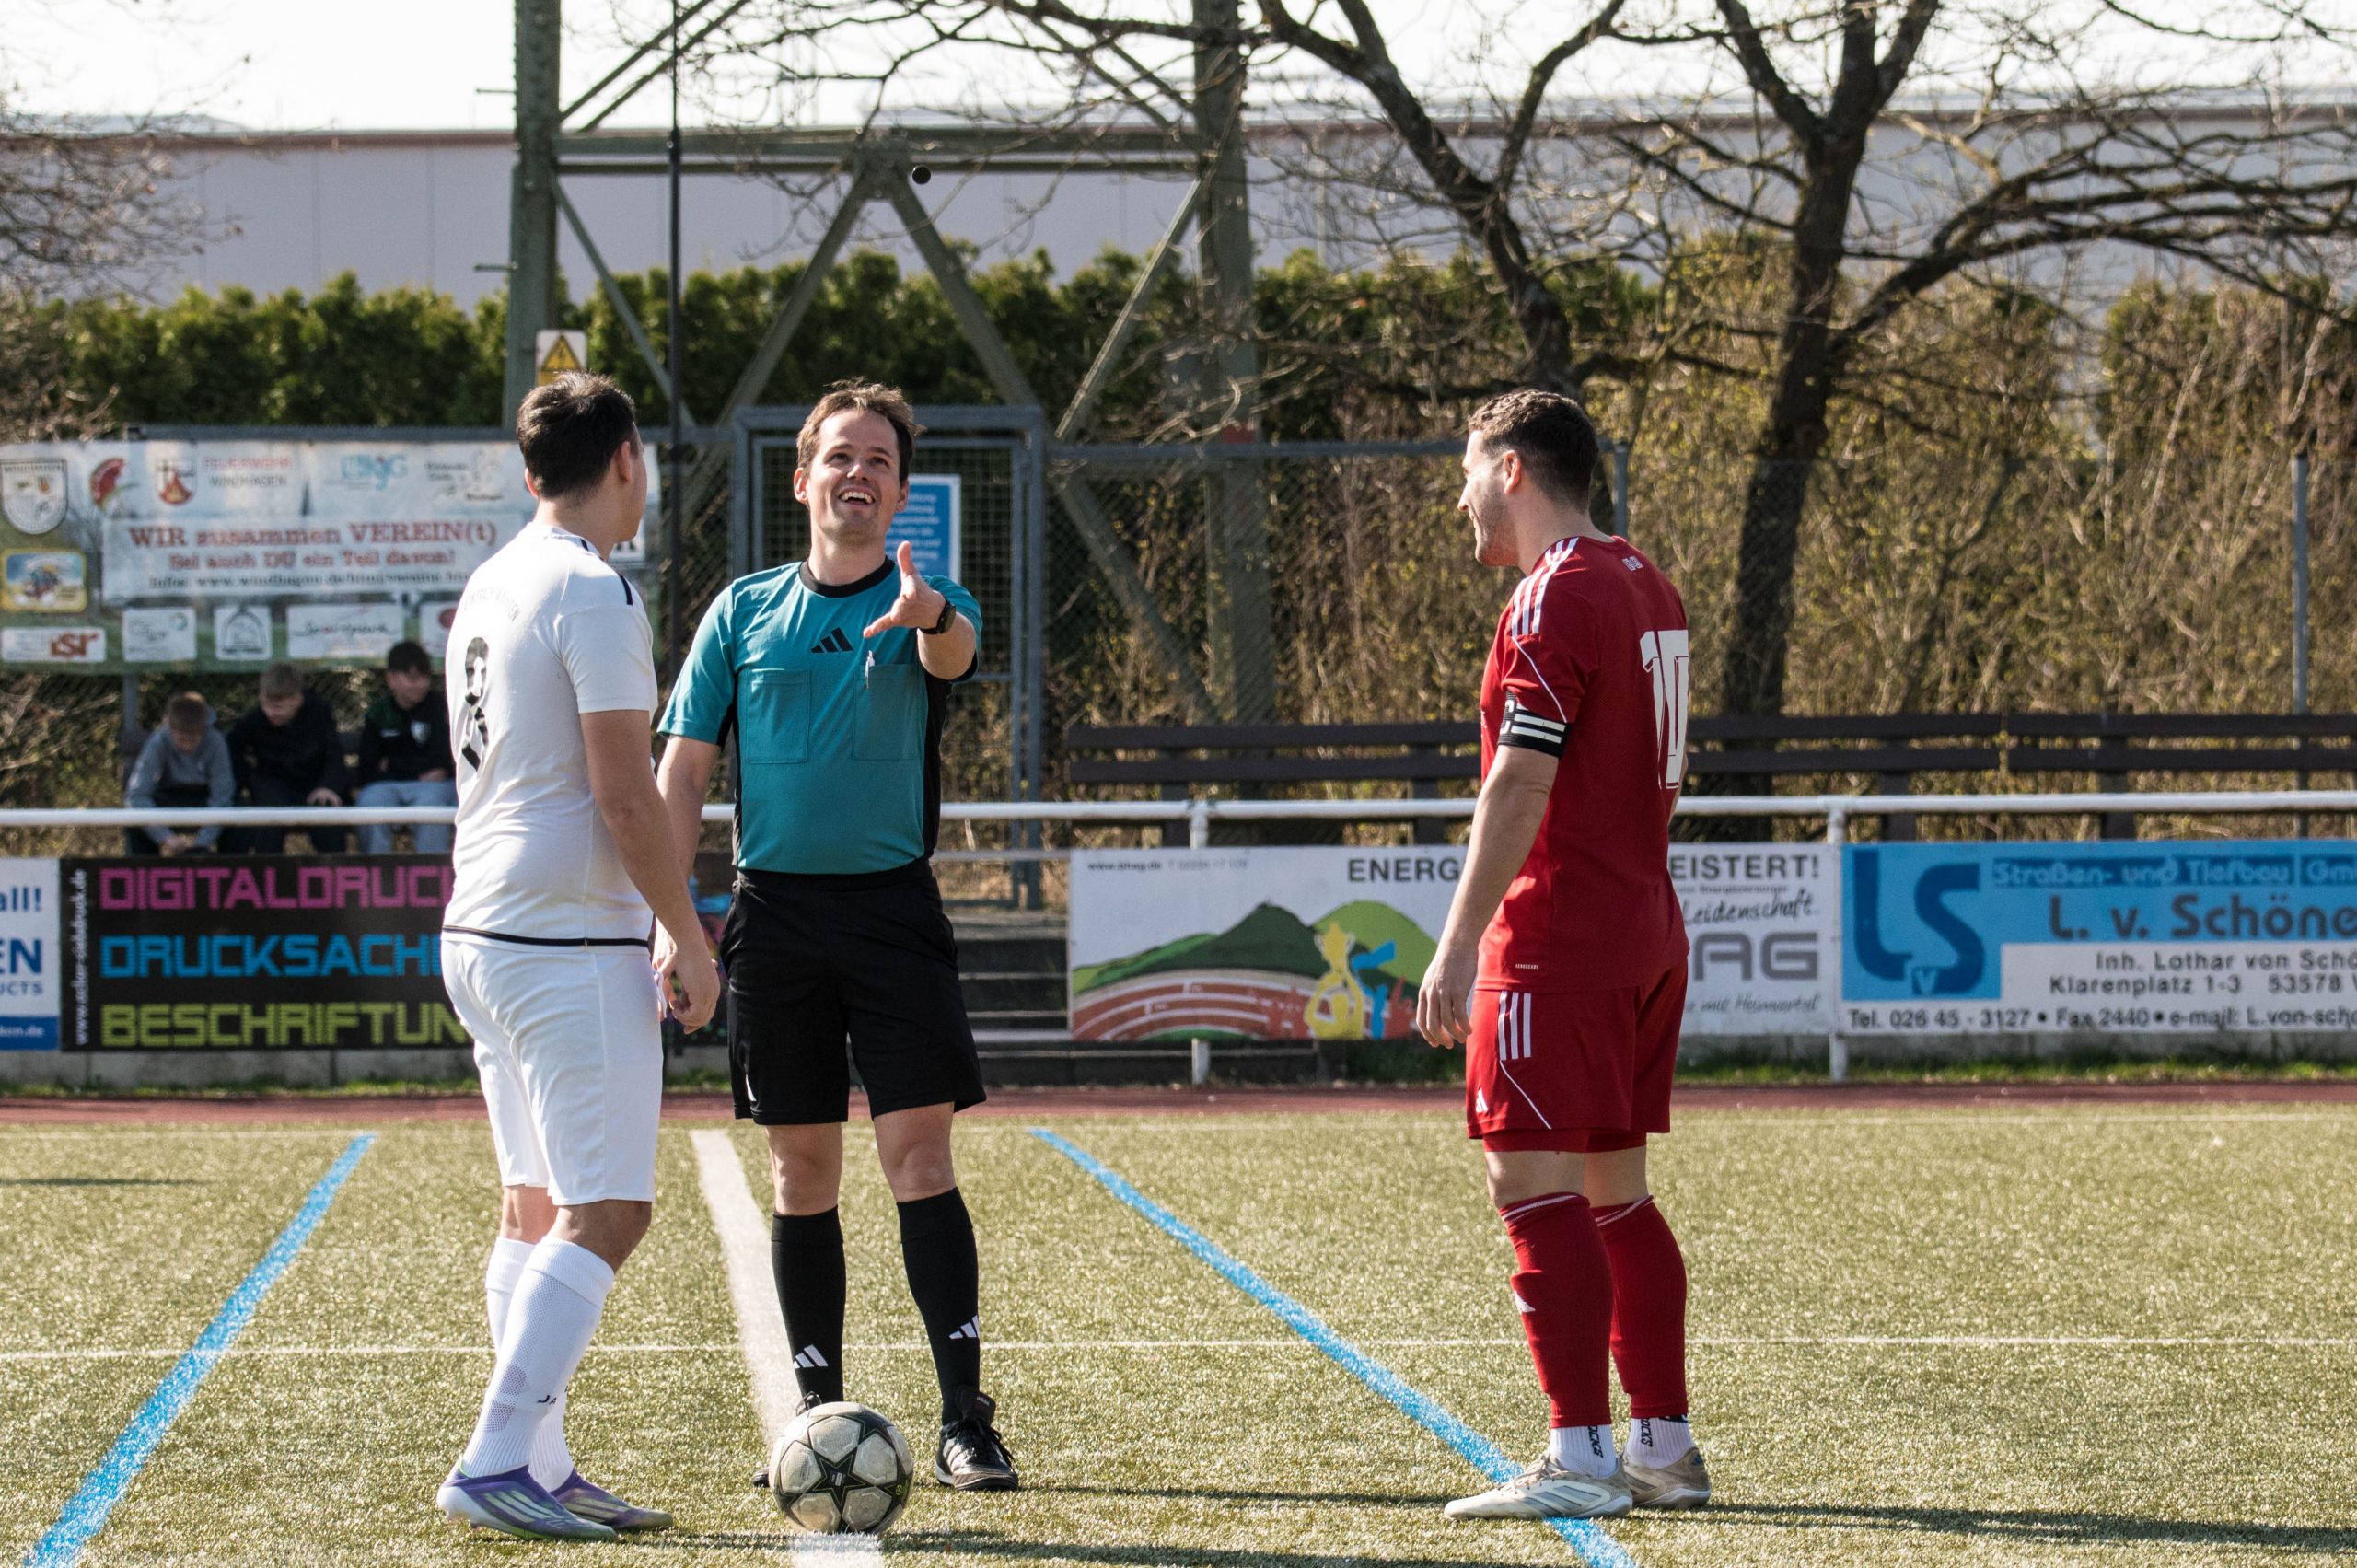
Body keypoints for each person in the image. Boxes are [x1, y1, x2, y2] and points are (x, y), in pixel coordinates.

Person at [654, 380, 1016, 1491]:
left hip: (893, 913)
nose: (858, 473)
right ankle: (817, 1417)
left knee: (919, 1158)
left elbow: (956, 654)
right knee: (799, 1168)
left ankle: (965, 1420)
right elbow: (683, 770)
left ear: (899, 494)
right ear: (803, 478)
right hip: (774, 918)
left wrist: (928, 615)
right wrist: (672, 921)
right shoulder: (741, 611)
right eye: (841, 456)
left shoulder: (929, 601)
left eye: (879, 461)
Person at [434, 371, 720, 1540]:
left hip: (483, 927)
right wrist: (687, 931)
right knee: (608, 1211)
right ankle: (498, 1454)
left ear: (529, 469)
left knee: (534, 1205)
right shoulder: (592, 587)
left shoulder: (493, 577)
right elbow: (624, 789)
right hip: (562, 936)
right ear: (628, 460)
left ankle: (539, 1461)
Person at [1416, 389, 1704, 1522]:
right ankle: (1663, 1446)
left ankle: (1580, 1455)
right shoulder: (1645, 580)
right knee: (1616, 1195)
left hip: (1558, 939)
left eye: (1467, 471)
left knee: (1531, 1188)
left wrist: (1457, 943)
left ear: (1513, 469)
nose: (1460, 498)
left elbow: (1520, 778)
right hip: (1641, 928)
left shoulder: (1553, 593)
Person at [225, 663, 350, 855]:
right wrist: (251, 781)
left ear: (297, 699)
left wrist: (328, 786)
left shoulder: (319, 711)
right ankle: (268, 870)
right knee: (268, 815)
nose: (272, 713)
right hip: (274, 786)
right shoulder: (255, 719)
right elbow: (232, 748)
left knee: (327, 812)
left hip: (314, 784)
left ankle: (331, 870)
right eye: (267, 705)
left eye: (279, 707)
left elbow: (333, 754)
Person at [354, 639, 457, 854]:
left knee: (431, 808)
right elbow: (368, 767)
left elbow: (441, 761)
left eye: (424, 677)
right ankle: (377, 872)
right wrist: (417, 771)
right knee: (370, 805)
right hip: (385, 787)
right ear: (391, 678)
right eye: (412, 678)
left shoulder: (441, 707)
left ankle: (430, 873)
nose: (420, 684)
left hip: (432, 788)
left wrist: (391, 764)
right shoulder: (378, 712)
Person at [122, 692, 234, 856]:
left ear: (203, 730)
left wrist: (201, 844)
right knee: (135, 822)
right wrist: (165, 837)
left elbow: (222, 797)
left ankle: (231, 869)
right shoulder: (158, 742)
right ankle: (145, 871)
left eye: (193, 739)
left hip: (204, 799)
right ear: (170, 729)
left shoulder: (216, 742)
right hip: (168, 798)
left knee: (237, 814)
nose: (187, 746)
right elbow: (137, 795)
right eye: (182, 739)